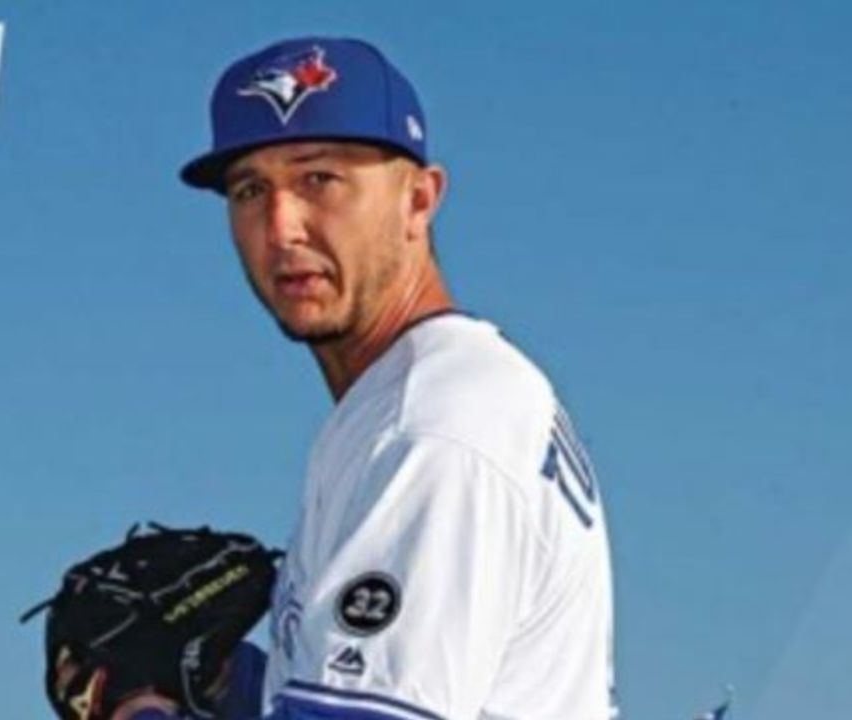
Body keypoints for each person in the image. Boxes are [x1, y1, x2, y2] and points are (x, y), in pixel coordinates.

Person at [123, 36, 617, 720]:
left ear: (419, 199)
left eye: (319, 179)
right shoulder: (414, 397)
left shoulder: (435, 421)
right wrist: (224, 685)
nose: (281, 225)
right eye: (249, 189)